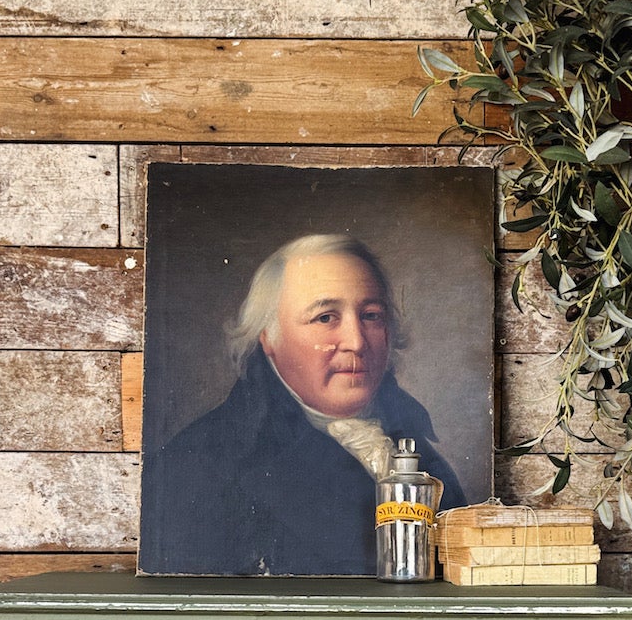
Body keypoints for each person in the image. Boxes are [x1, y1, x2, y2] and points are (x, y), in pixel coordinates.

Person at [140, 233, 466, 576]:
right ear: (268, 337)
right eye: (325, 317)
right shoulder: (196, 466)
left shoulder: (416, 447)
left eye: (371, 315)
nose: (356, 342)